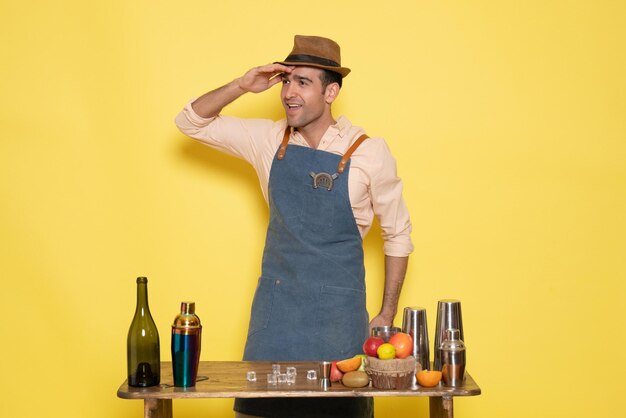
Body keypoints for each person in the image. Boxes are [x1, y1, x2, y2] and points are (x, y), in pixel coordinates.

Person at [175, 35, 413, 418]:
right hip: (276, 318)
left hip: (339, 319)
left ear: (331, 91)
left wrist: (387, 313)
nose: (289, 92)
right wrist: (241, 84)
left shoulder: (369, 152)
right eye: (287, 81)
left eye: (303, 82)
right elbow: (190, 122)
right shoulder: (268, 140)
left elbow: (398, 235)